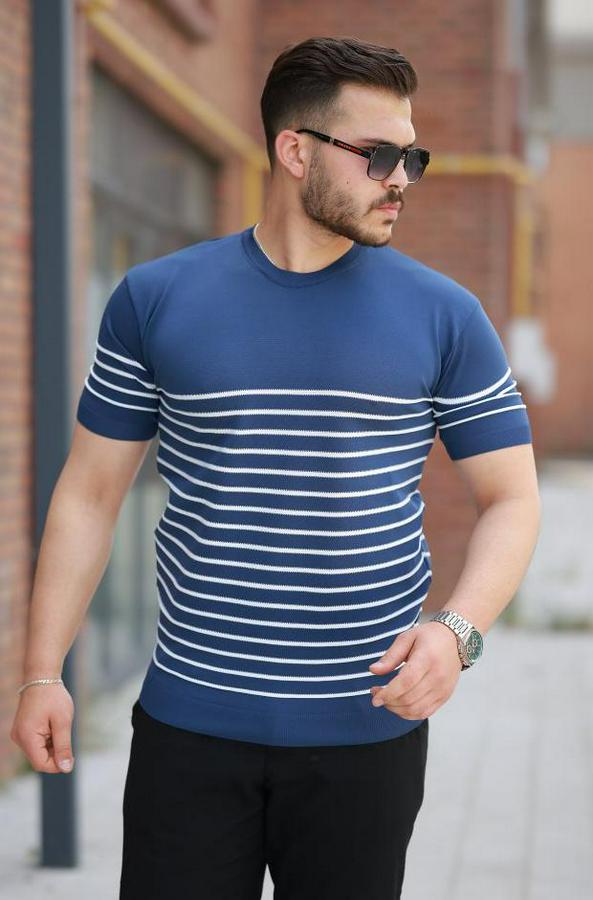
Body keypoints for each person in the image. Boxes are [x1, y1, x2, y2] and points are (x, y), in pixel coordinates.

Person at [11, 35, 540, 900]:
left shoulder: (446, 315)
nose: (401, 179)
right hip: (189, 729)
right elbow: (90, 493)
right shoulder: (155, 298)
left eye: (410, 157)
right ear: (295, 151)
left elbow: (511, 498)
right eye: (377, 156)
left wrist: (458, 631)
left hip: (366, 734)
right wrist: (43, 671)